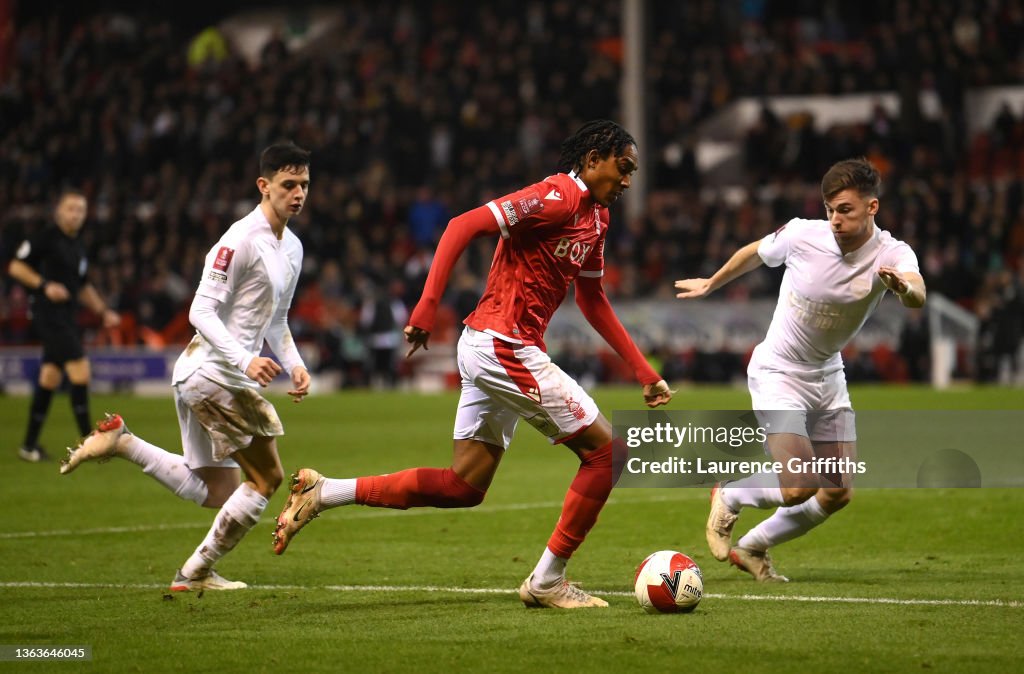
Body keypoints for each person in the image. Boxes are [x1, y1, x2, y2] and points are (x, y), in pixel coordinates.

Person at [273, 120, 673, 608]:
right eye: (623, 168)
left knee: (464, 485)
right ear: (593, 159)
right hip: (502, 343)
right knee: (608, 455)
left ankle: (325, 491)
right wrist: (427, 304)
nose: (628, 180)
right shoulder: (558, 197)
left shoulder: (597, 219)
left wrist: (641, 367)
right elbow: (462, 225)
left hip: (498, 347)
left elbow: (592, 300)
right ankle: (548, 581)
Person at [60, 143, 312, 592]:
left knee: (218, 492)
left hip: (211, 376)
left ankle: (123, 442)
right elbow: (200, 311)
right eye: (288, 184)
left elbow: (276, 319)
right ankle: (194, 572)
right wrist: (245, 359)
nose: (298, 193)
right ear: (264, 185)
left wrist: (295, 364)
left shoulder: (291, 247)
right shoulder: (238, 240)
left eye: (304, 185)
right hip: (214, 373)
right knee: (268, 477)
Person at [675, 158, 926, 582]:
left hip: (828, 376)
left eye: (845, 209)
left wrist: (902, 288)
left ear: (872, 207)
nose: (835, 219)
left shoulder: (893, 253)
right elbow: (754, 252)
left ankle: (753, 548)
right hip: (779, 372)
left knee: (837, 492)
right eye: (830, 209)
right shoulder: (802, 235)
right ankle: (730, 494)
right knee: (798, 486)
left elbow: (917, 290)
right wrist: (712, 283)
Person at [8, 190, 121, 462]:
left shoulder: (77, 245)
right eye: (70, 208)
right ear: (58, 211)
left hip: (66, 318)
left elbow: (82, 286)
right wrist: (45, 286)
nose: (76, 214)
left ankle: (29, 447)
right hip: (49, 316)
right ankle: (91, 445)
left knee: (50, 377)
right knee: (81, 371)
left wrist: (103, 311)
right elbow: (16, 267)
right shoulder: (46, 238)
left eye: (81, 210)